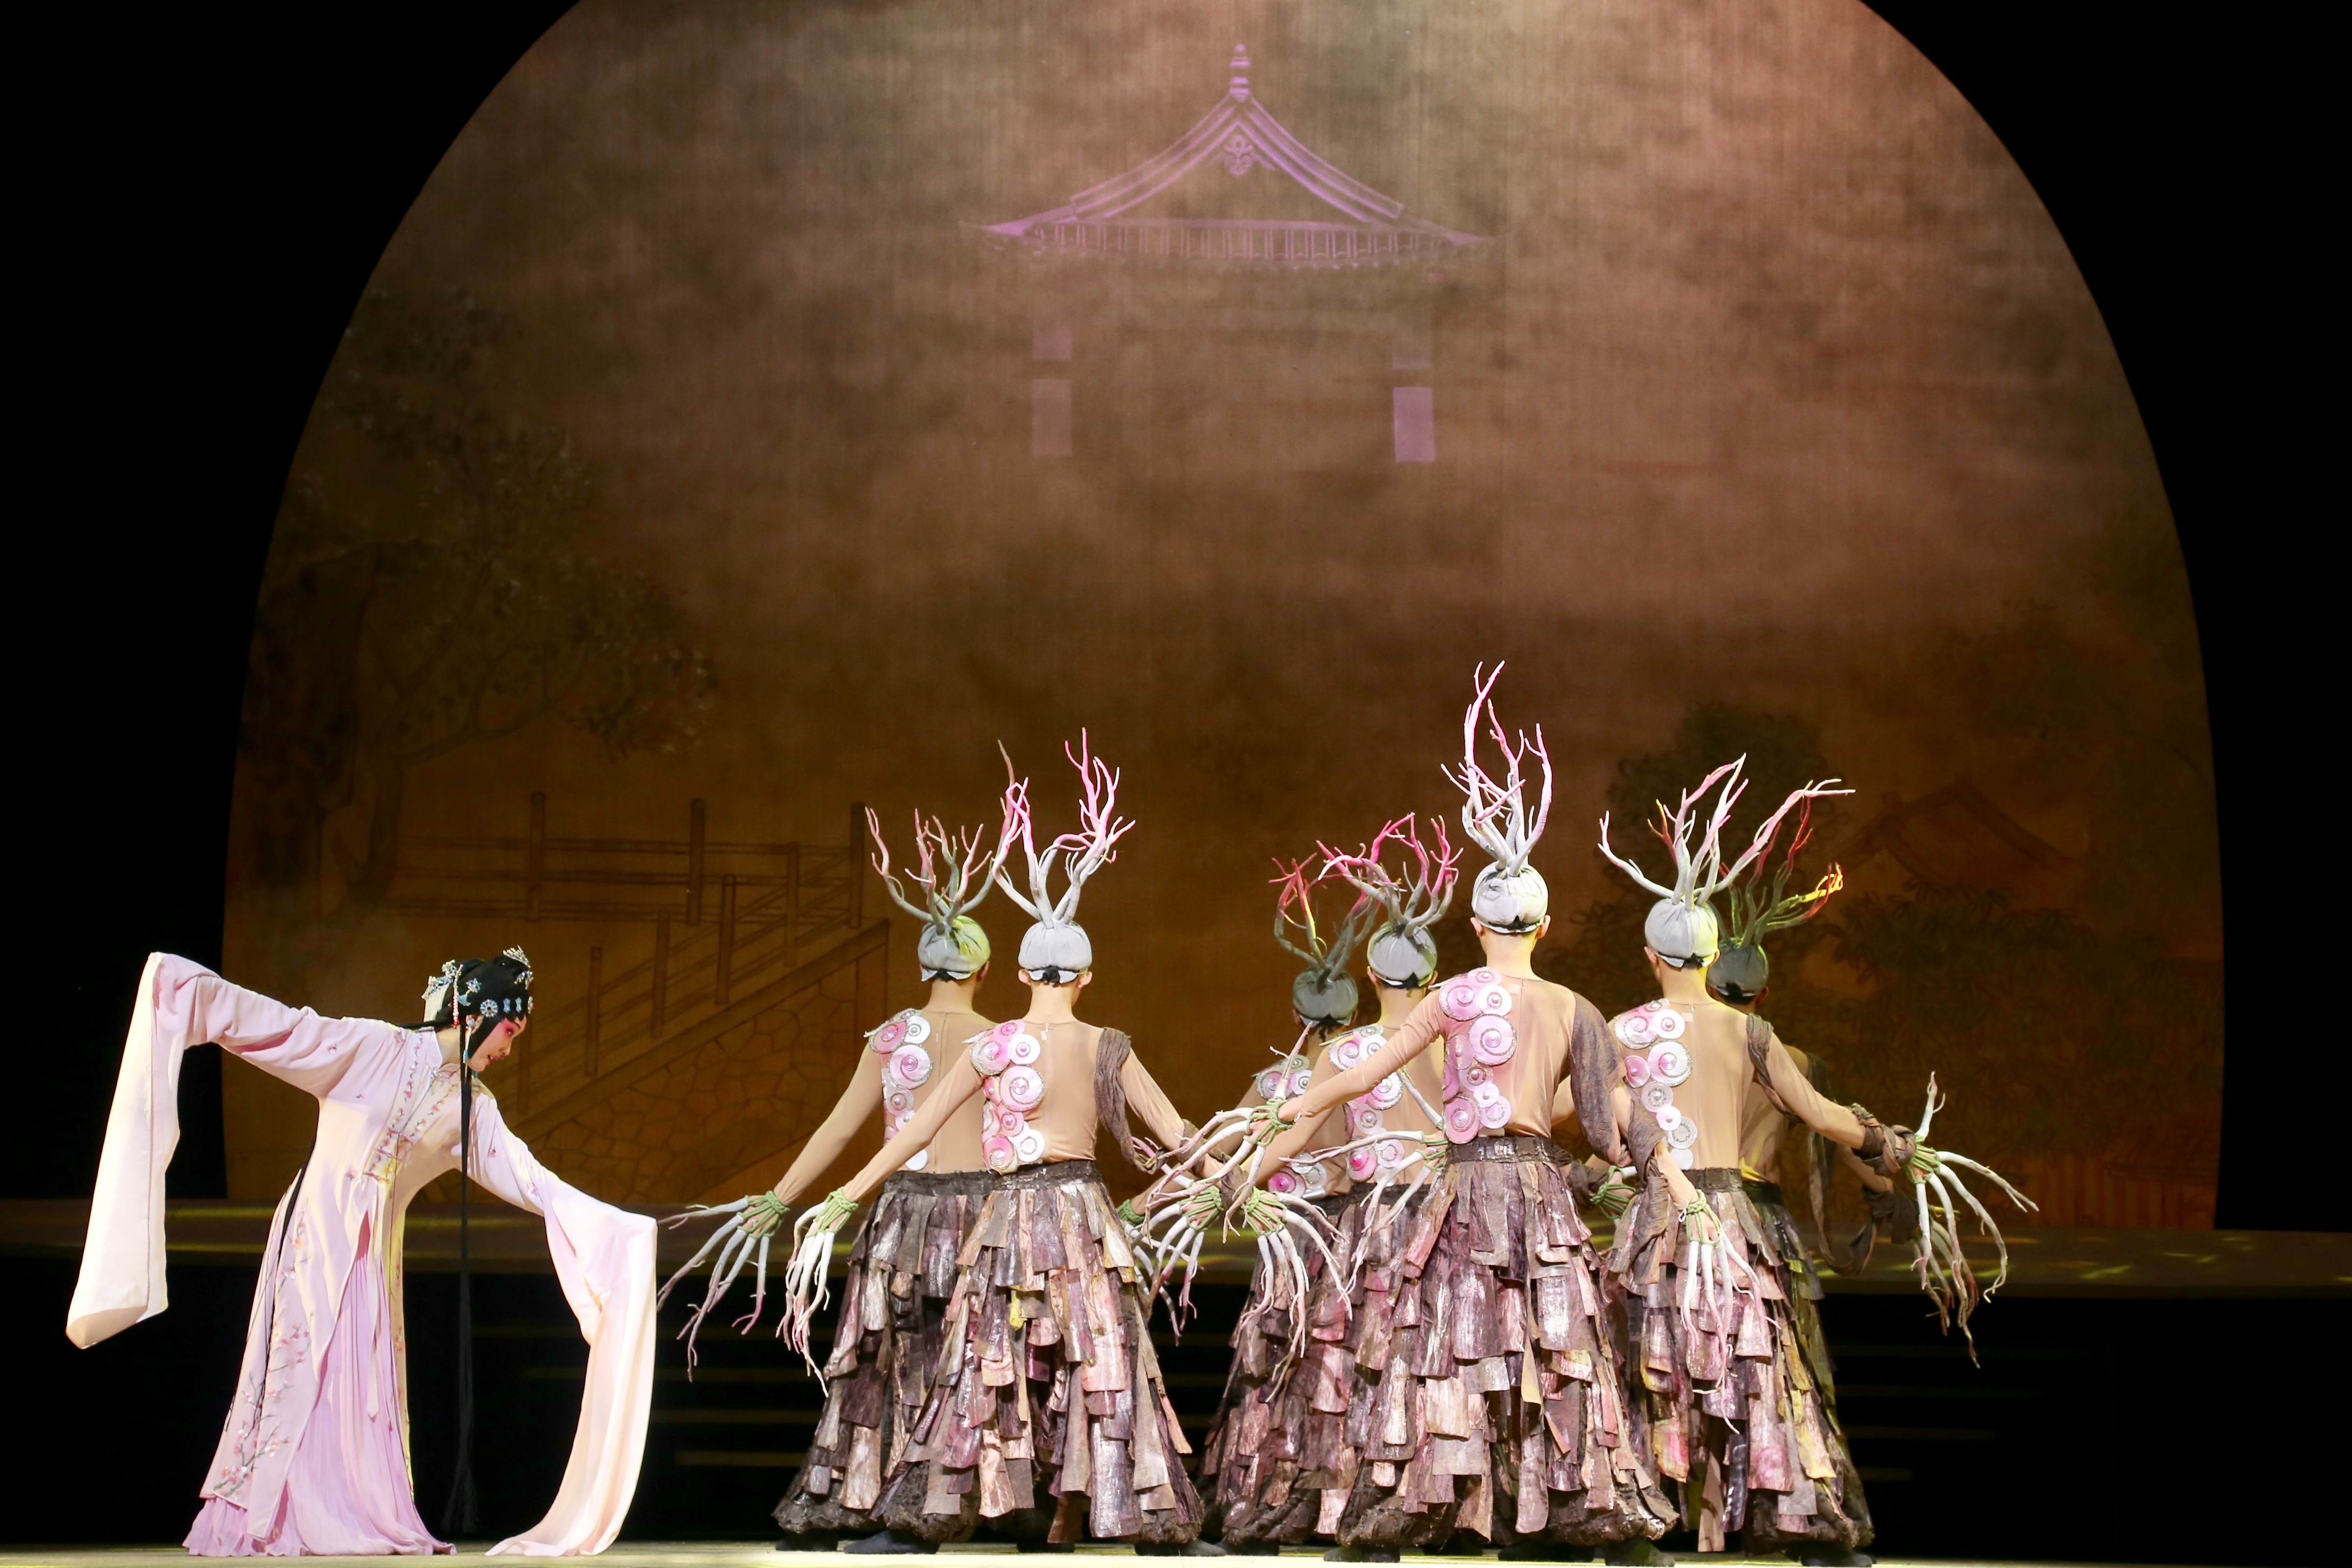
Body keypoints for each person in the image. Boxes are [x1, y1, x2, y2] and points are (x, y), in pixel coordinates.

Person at [1245, 667, 1675, 1565]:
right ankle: (1586, 1518)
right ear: (1543, 925)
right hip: (1538, 1199)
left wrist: (1258, 1149)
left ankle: (1395, 1522)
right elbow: (1613, 1120)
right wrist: (1668, 1178)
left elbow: (1351, 1079)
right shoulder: (1574, 1007)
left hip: (1463, 1194)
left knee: (1438, 1347)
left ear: (1475, 926)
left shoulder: (1448, 999)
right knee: (1556, 1347)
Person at [776, 737, 1222, 1554]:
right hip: (1081, 1219)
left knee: (981, 1361)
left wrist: (848, 1191)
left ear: (1018, 972)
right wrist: (1234, 1175)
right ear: (1086, 976)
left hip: (1012, 1217)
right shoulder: (1104, 1043)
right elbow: (1175, 1130)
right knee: (1104, 1361)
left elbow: (913, 1130)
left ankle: (926, 1526)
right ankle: (1153, 1528)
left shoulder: (997, 1045)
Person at [69, 950, 656, 1557]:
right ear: (474, 1015)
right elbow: (287, 1028)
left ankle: (349, 1513)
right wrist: (193, 991)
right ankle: (270, 1515)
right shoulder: (375, 1047)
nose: (509, 1048)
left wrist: (619, 1228)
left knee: (358, 1382)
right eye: (509, 1031)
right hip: (315, 1234)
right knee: (303, 1368)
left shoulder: (471, 1105)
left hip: (373, 1255)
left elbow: (531, 1179)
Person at [1596, 761, 2025, 1567]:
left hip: (1658, 1217)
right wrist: (1888, 1144)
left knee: (1650, 1360)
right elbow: (1825, 1117)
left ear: (1650, 953)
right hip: (1735, 1218)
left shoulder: (1619, 1029)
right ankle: (1810, 1531)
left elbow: (1589, 1120)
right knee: (1765, 1370)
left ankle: (1628, 1528)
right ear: (1714, 953)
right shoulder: (1752, 1034)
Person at [746, 800, 1013, 1550]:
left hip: (900, 1213)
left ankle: (847, 1500)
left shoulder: (893, 1037)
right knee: (969, 1361)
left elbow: (838, 1126)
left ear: (923, 968)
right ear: (984, 969)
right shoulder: (1003, 1040)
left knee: (882, 1360)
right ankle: (964, 1504)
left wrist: (781, 1197)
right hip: (980, 1215)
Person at [1201, 817, 1461, 1554]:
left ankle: (1362, 1507)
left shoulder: (1345, 1052)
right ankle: (1445, 1509)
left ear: (1372, 978)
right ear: (1433, 976)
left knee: (1361, 1368)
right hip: (1449, 1223)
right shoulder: (1460, 1043)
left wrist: (1227, 1181)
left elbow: (1298, 1138)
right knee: (1441, 1361)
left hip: (1367, 1231)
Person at [1195, 855, 1382, 1551]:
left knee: (1280, 1371)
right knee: (1347, 1369)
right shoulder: (1373, 1066)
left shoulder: (1278, 1081)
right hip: (1354, 1236)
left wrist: (1215, 1181)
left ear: (1297, 1015)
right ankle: (1341, 1503)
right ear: (1354, 1013)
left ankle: (1265, 1501)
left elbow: (1225, 1150)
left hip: (1289, 1242)